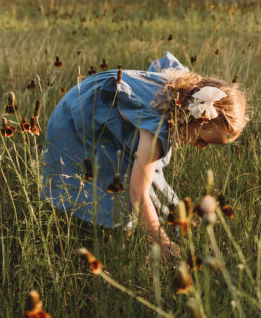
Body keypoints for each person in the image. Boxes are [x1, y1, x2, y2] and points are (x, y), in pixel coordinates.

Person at [41, 52, 247, 257]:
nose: (201, 148)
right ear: (198, 117)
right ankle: (116, 238)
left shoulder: (181, 89)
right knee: (120, 181)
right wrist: (163, 245)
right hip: (78, 127)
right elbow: (137, 194)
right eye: (203, 141)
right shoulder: (156, 132)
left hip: (82, 100)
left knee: (141, 171)